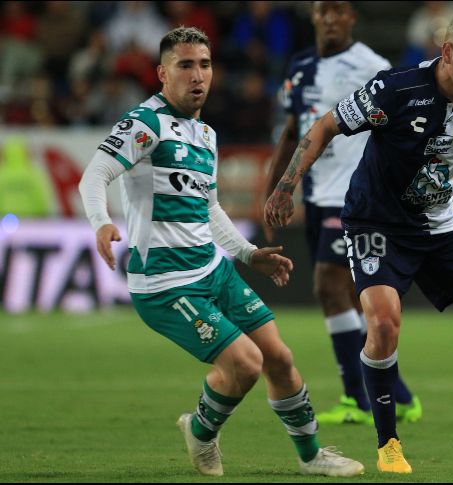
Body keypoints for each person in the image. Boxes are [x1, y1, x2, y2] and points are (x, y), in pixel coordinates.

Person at [265, 7, 453, 474]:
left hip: (437, 223)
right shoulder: (394, 89)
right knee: (383, 324)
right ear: (447, 52)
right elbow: (324, 126)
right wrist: (286, 185)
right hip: (375, 223)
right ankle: (388, 444)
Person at [78, 27, 364, 478]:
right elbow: (94, 175)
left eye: (205, 65)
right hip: (165, 284)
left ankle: (311, 457)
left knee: (280, 360)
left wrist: (249, 254)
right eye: (185, 65)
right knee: (246, 364)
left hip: (213, 270)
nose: (198, 76)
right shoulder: (144, 124)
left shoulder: (206, 135)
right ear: (162, 74)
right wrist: (102, 223)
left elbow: (209, 208)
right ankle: (203, 432)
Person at [265, 0, 421, 426]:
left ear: (352, 17)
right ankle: (400, 395)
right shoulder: (299, 66)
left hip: (355, 195)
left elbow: (399, 126)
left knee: (328, 287)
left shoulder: (372, 65)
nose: (331, 19)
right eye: (323, 11)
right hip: (316, 195)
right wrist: (274, 189)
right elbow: (291, 132)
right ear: (313, 17)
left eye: (339, 11)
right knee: (352, 299)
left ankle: (357, 398)